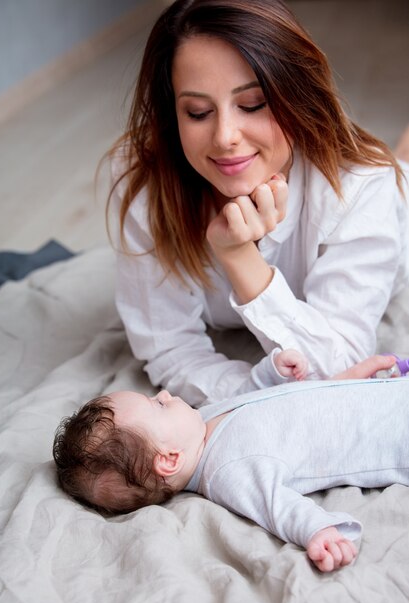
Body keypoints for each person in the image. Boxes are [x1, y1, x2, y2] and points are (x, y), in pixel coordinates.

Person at [107, 0, 409, 406]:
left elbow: (337, 372)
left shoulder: (363, 187)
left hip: (394, 200)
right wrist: (256, 389)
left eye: (252, 105)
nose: (225, 136)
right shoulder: (147, 180)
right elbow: (169, 349)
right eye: (197, 112)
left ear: (295, 96)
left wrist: (239, 257)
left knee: (398, 171)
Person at [53, 353, 407, 573]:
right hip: (390, 433)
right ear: (170, 459)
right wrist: (319, 531)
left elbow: (258, 402)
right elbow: (275, 505)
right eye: (156, 405)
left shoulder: (200, 424)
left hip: (370, 396)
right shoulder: (227, 471)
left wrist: (277, 373)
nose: (162, 394)